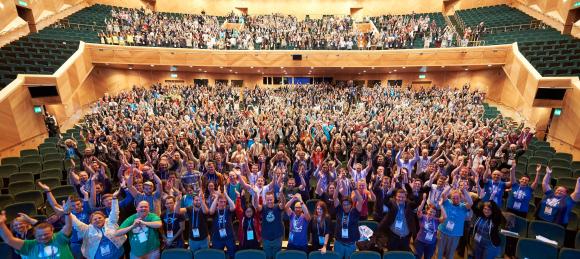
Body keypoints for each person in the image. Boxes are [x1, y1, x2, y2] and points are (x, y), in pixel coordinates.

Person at [0, 199, 74, 259]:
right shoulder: (29, 245)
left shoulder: (59, 238)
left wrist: (67, 213)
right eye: (39, 235)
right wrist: (1, 224)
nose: (43, 237)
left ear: (52, 231)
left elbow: (68, 226)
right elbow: (9, 240)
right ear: (34, 235)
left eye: (46, 234)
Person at [70, 188, 126, 259]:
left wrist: (114, 198)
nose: (97, 220)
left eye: (100, 218)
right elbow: (76, 223)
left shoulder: (109, 222)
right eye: (95, 219)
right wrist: (67, 213)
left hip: (117, 254)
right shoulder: (88, 229)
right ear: (91, 222)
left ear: (104, 218)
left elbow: (115, 212)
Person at [437, 186, 473, 259]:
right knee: (439, 251)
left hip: (455, 234)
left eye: (457, 198)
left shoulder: (463, 207)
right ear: (451, 198)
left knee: (450, 253)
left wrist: (464, 191)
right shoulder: (447, 202)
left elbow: (470, 202)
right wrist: (450, 186)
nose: (455, 199)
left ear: (460, 198)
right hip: (443, 231)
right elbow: (443, 194)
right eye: (453, 198)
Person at [333, 182, 364, 259]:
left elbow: (360, 200)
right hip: (339, 243)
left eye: (348, 204)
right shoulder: (339, 210)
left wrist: (355, 189)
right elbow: (334, 198)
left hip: (350, 244)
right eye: (344, 204)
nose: (346, 206)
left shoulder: (355, 212)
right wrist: (337, 186)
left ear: (351, 204)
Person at [255, 191, 285, 259]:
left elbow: (283, 204)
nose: (269, 201)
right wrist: (256, 195)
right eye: (268, 200)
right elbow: (256, 205)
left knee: (277, 257)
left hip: (277, 238)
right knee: (267, 257)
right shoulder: (263, 207)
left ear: (274, 199)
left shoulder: (277, 207)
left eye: (271, 199)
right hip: (266, 238)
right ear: (265, 200)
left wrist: (281, 193)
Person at [414, 193, 443, 259]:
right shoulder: (422, 217)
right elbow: (419, 211)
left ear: (435, 213)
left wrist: (441, 205)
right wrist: (424, 201)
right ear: (427, 211)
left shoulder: (436, 220)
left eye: (433, 212)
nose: (431, 213)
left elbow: (445, 217)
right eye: (430, 211)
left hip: (431, 243)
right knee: (417, 257)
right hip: (420, 242)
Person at [209, 191, 236, 258]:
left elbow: (233, 207)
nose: (223, 203)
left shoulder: (227, 209)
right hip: (217, 238)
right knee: (217, 256)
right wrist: (217, 197)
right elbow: (211, 211)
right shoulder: (215, 210)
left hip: (229, 237)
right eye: (221, 201)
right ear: (217, 202)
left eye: (224, 202)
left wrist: (226, 195)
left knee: (232, 255)